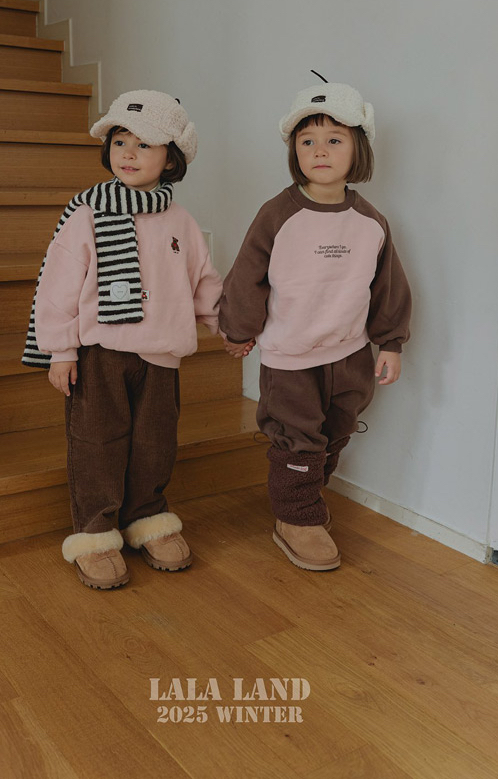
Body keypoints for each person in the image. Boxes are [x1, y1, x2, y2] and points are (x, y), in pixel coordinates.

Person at [23, 90, 222, 590]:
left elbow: (203, 282)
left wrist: (228, 326)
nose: (128, 153)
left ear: (171, 158)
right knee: (97, 442)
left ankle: (147, 517)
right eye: (120, 141)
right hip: (100, 354)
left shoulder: (181, 221)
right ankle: (96, 531)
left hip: (162, 354)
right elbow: (57, 287)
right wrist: (61, 350)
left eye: (144, 144)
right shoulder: (87, 214)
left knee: (155, 442)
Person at [219, 78, 411, 572]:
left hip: (349, 354)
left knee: (336, 431)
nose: (319, 151)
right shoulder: (278, 214)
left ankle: (305, 495)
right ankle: (297, 518)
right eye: (307, 141)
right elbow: (247, 276)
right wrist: (239, 330)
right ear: (295, 152)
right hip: (290, 356)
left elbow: (386, 285)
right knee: (298, 438)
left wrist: (390, 343)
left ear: (358, 148)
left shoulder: (370, 221)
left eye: (334, 139)